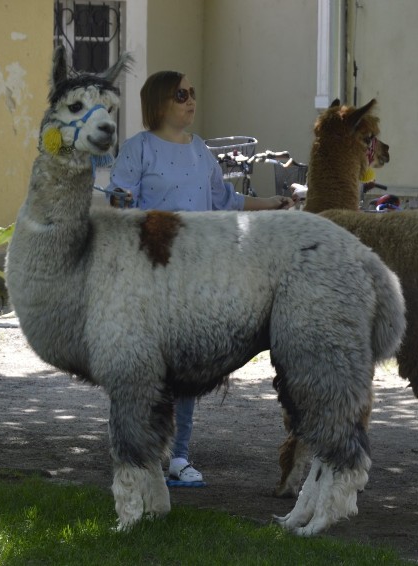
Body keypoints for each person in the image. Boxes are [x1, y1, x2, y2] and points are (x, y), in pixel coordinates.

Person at [106, 70, 292, 484]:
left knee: (187, 368)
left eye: (192, 93)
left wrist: (272, 204)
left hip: (199, 273)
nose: (191, 100)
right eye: (181, 94)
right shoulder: (137, 150)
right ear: (158, 102)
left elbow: (225, 199)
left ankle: (178, 457)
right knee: (149, 369)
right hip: (153, 273)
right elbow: (121, 203)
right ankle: (144, 453)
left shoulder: (201, 150)